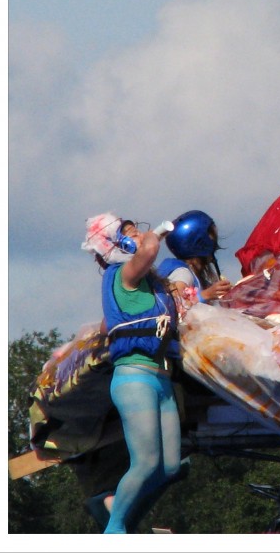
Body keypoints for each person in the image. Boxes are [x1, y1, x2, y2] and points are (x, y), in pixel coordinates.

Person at [81, 212, 182, 533]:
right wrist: (160, 232)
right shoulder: (123, 272)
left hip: (161, 379)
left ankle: (114, 511)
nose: (139, 234)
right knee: (146, 462)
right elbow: (150, 251)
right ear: (118, 244)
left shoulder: (144, 282)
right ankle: (116, 531)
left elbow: (112, 324)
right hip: (135, 379)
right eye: (130, 232)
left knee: (168, 467)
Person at [157, 210, 231, 316]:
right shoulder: (182, 274)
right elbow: (177, 306)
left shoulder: (189, 273)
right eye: (210, 236)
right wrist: (205, 295)